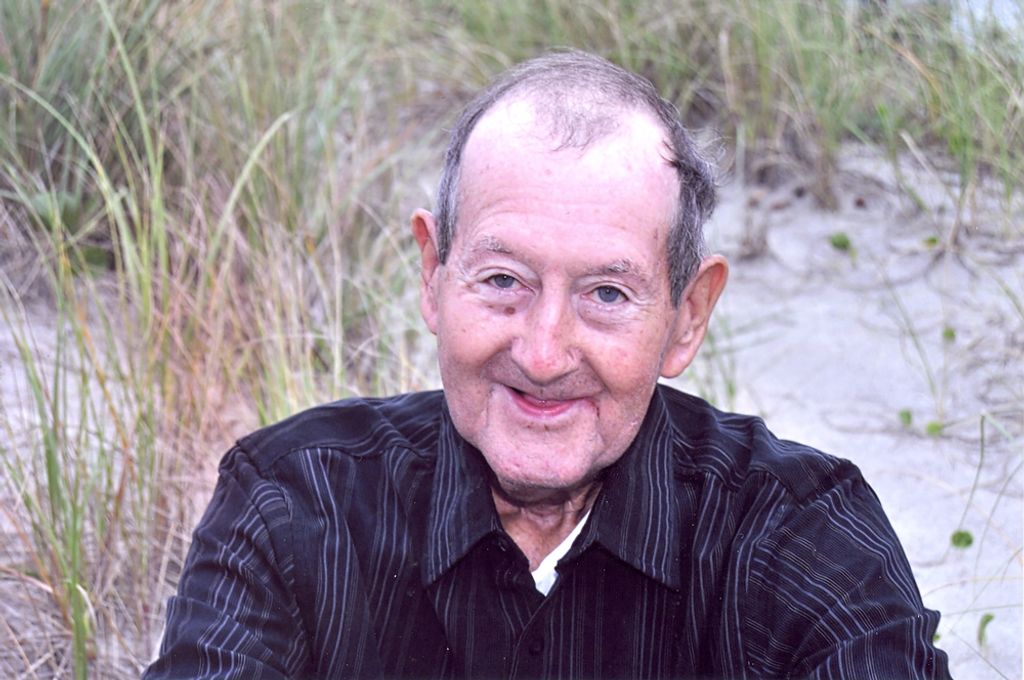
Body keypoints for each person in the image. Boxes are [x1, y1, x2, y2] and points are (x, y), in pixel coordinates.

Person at [144, 50, 951, 679]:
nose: (542, 352)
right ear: (433, 274)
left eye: (607, 294)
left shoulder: (798, 533)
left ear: (687, 317)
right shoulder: (291, 503)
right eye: (504, 281)